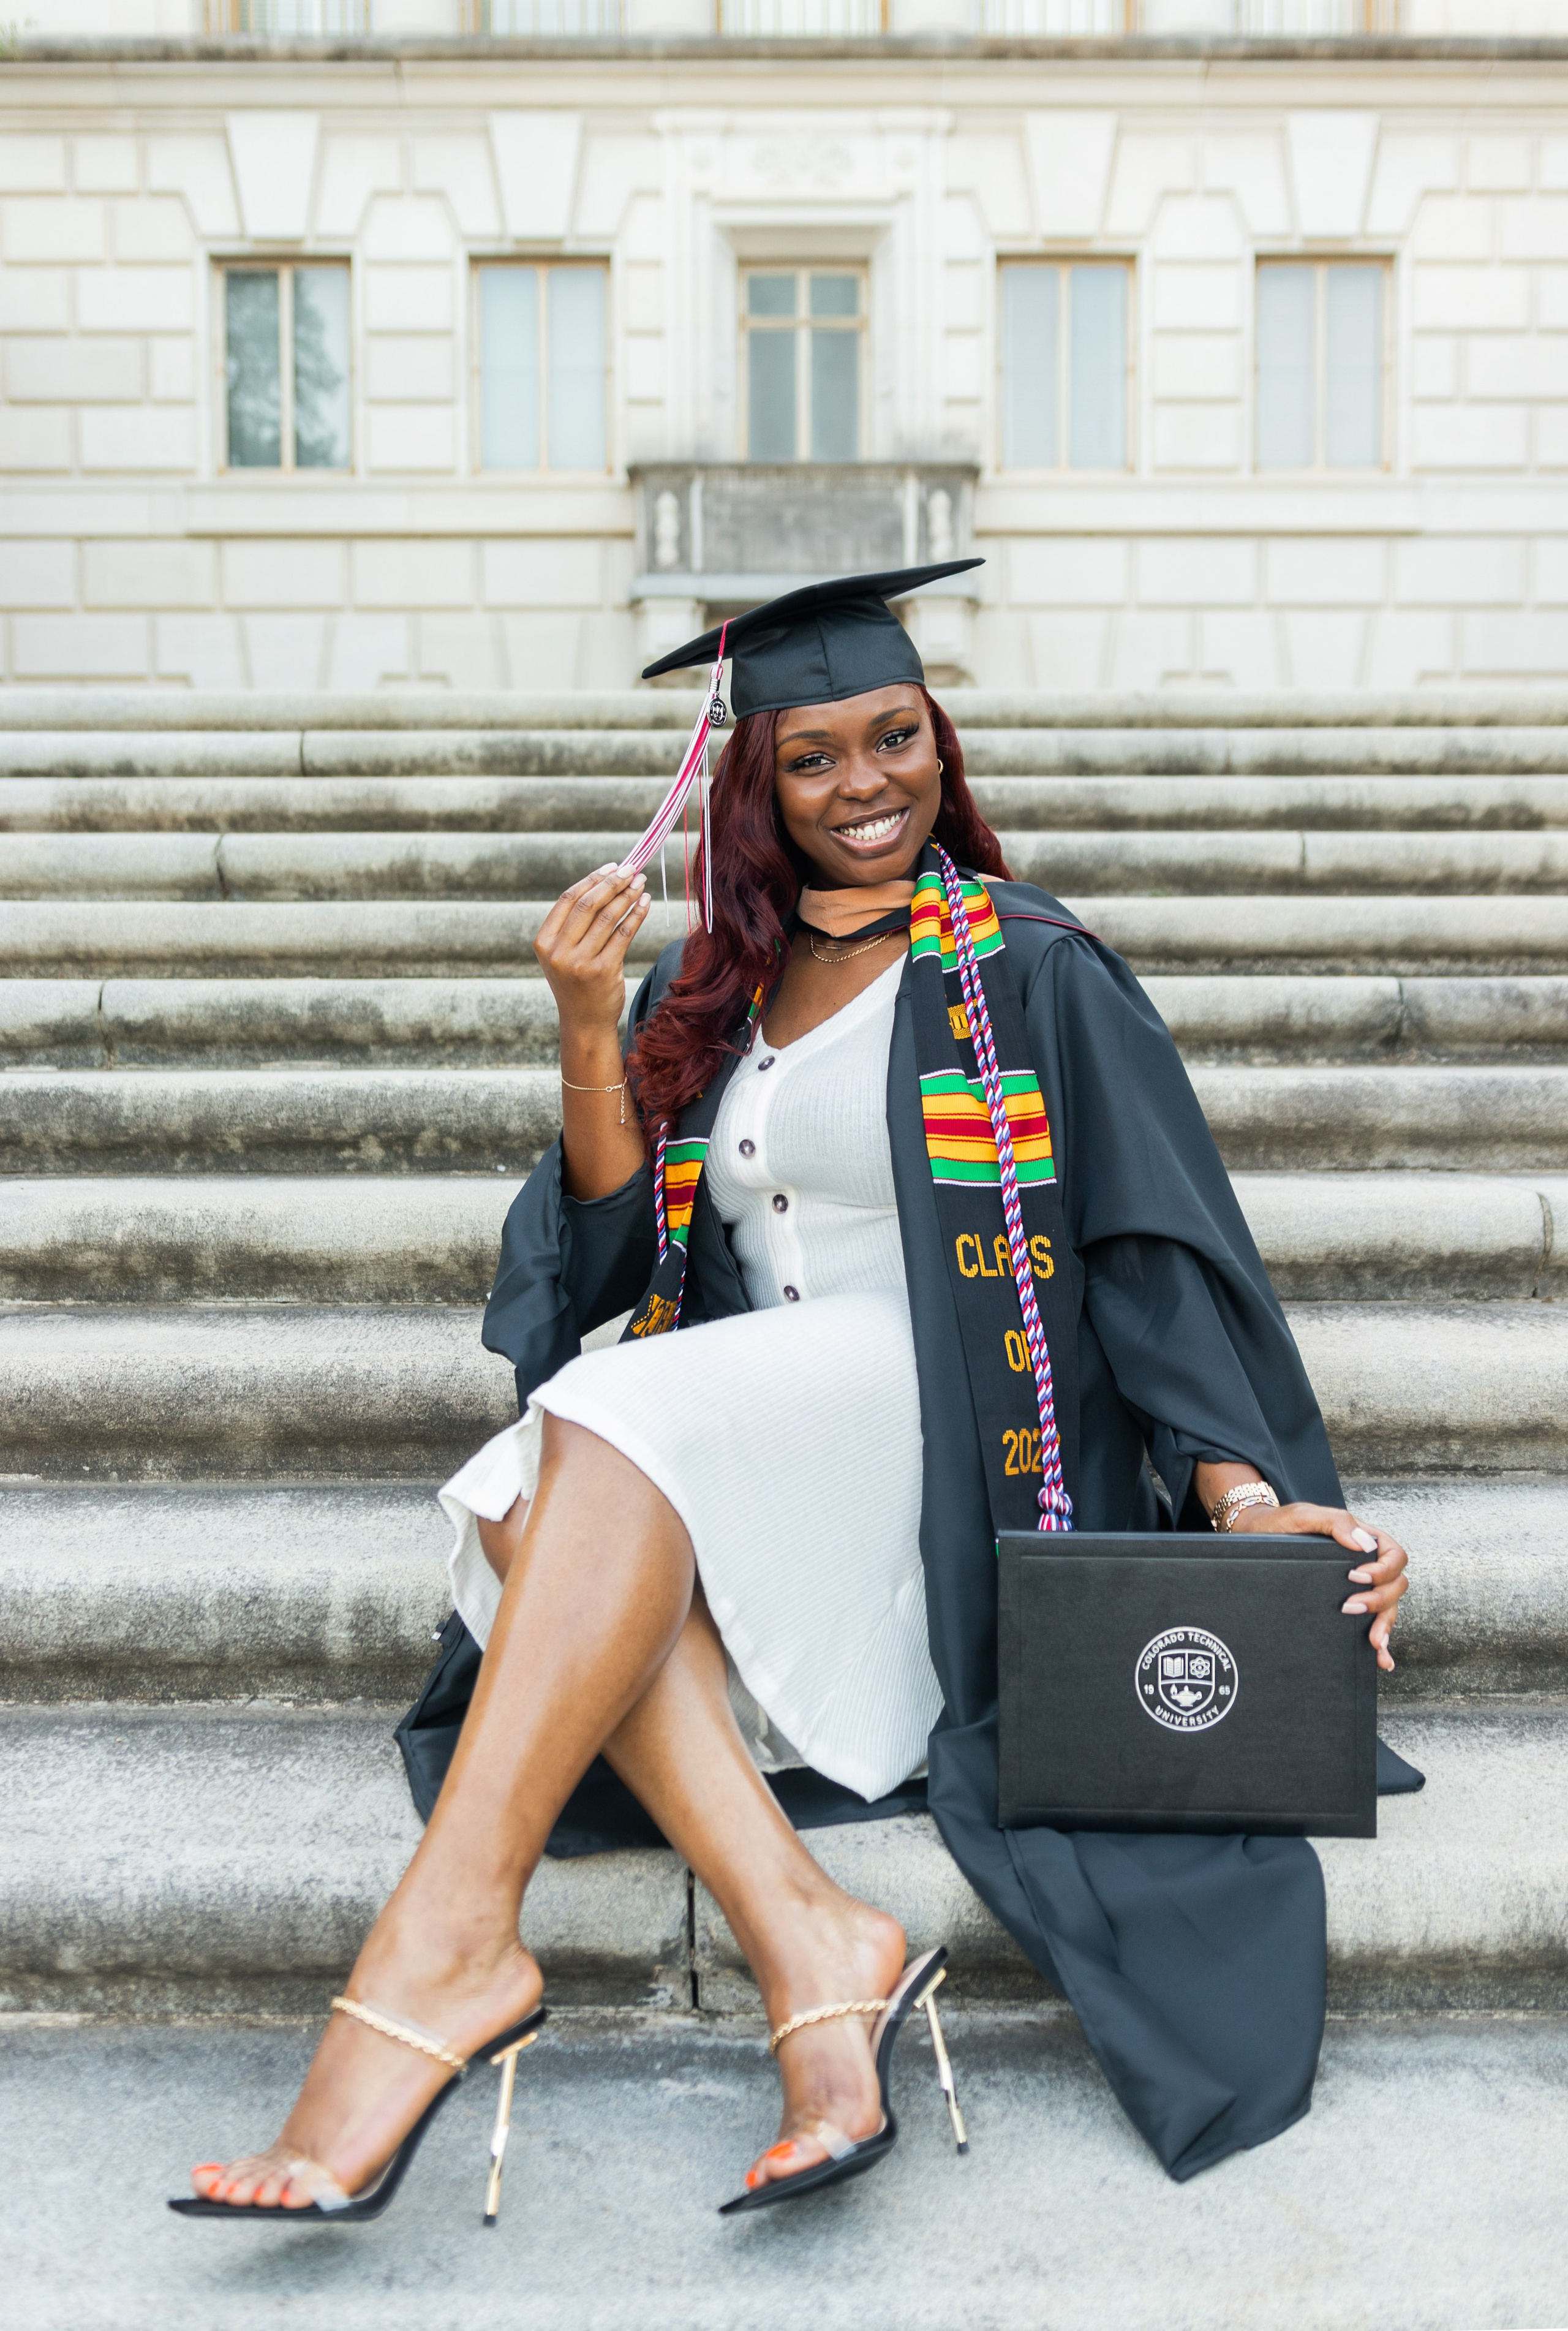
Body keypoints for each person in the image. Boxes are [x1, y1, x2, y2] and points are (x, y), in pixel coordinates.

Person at [175, 562, 1411, 2224]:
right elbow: (609, 1254)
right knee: (577, 1454)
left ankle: (443, 1941)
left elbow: (1152, 1253)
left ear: (939, 743)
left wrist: (1244, 1498)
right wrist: (583, 1020)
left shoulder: (1026, 967)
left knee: (594, 1435)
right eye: (813, 757)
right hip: (766, 1437)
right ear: (752, 786)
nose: (867, 784)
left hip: (954, 1444)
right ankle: (814, 1956)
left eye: (896, 737)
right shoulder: (725, 985)